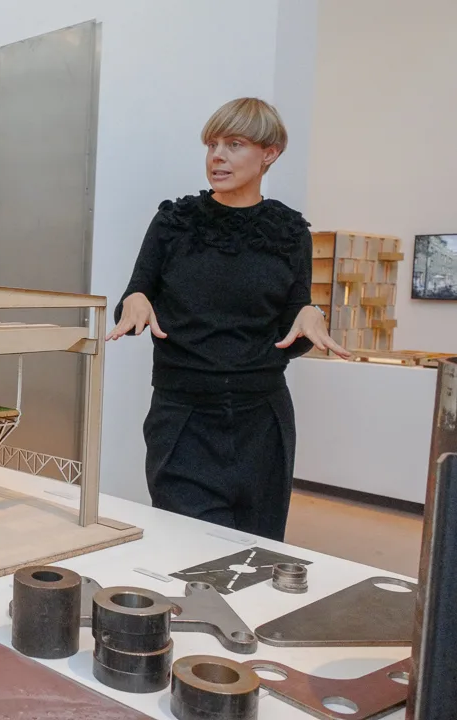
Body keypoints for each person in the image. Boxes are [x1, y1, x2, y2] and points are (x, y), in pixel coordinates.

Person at [106, 97, 350, 542]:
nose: (217, 156)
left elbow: (293, 324)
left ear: (269, 153)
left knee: (255, 554)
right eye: (212, 144)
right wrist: (135, 302)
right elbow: (135, 296)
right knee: (188, 550)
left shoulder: (289, 231)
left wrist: (309, 316)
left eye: (234, 144)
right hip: (183, 418)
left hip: (263, 421)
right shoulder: (174, 221)